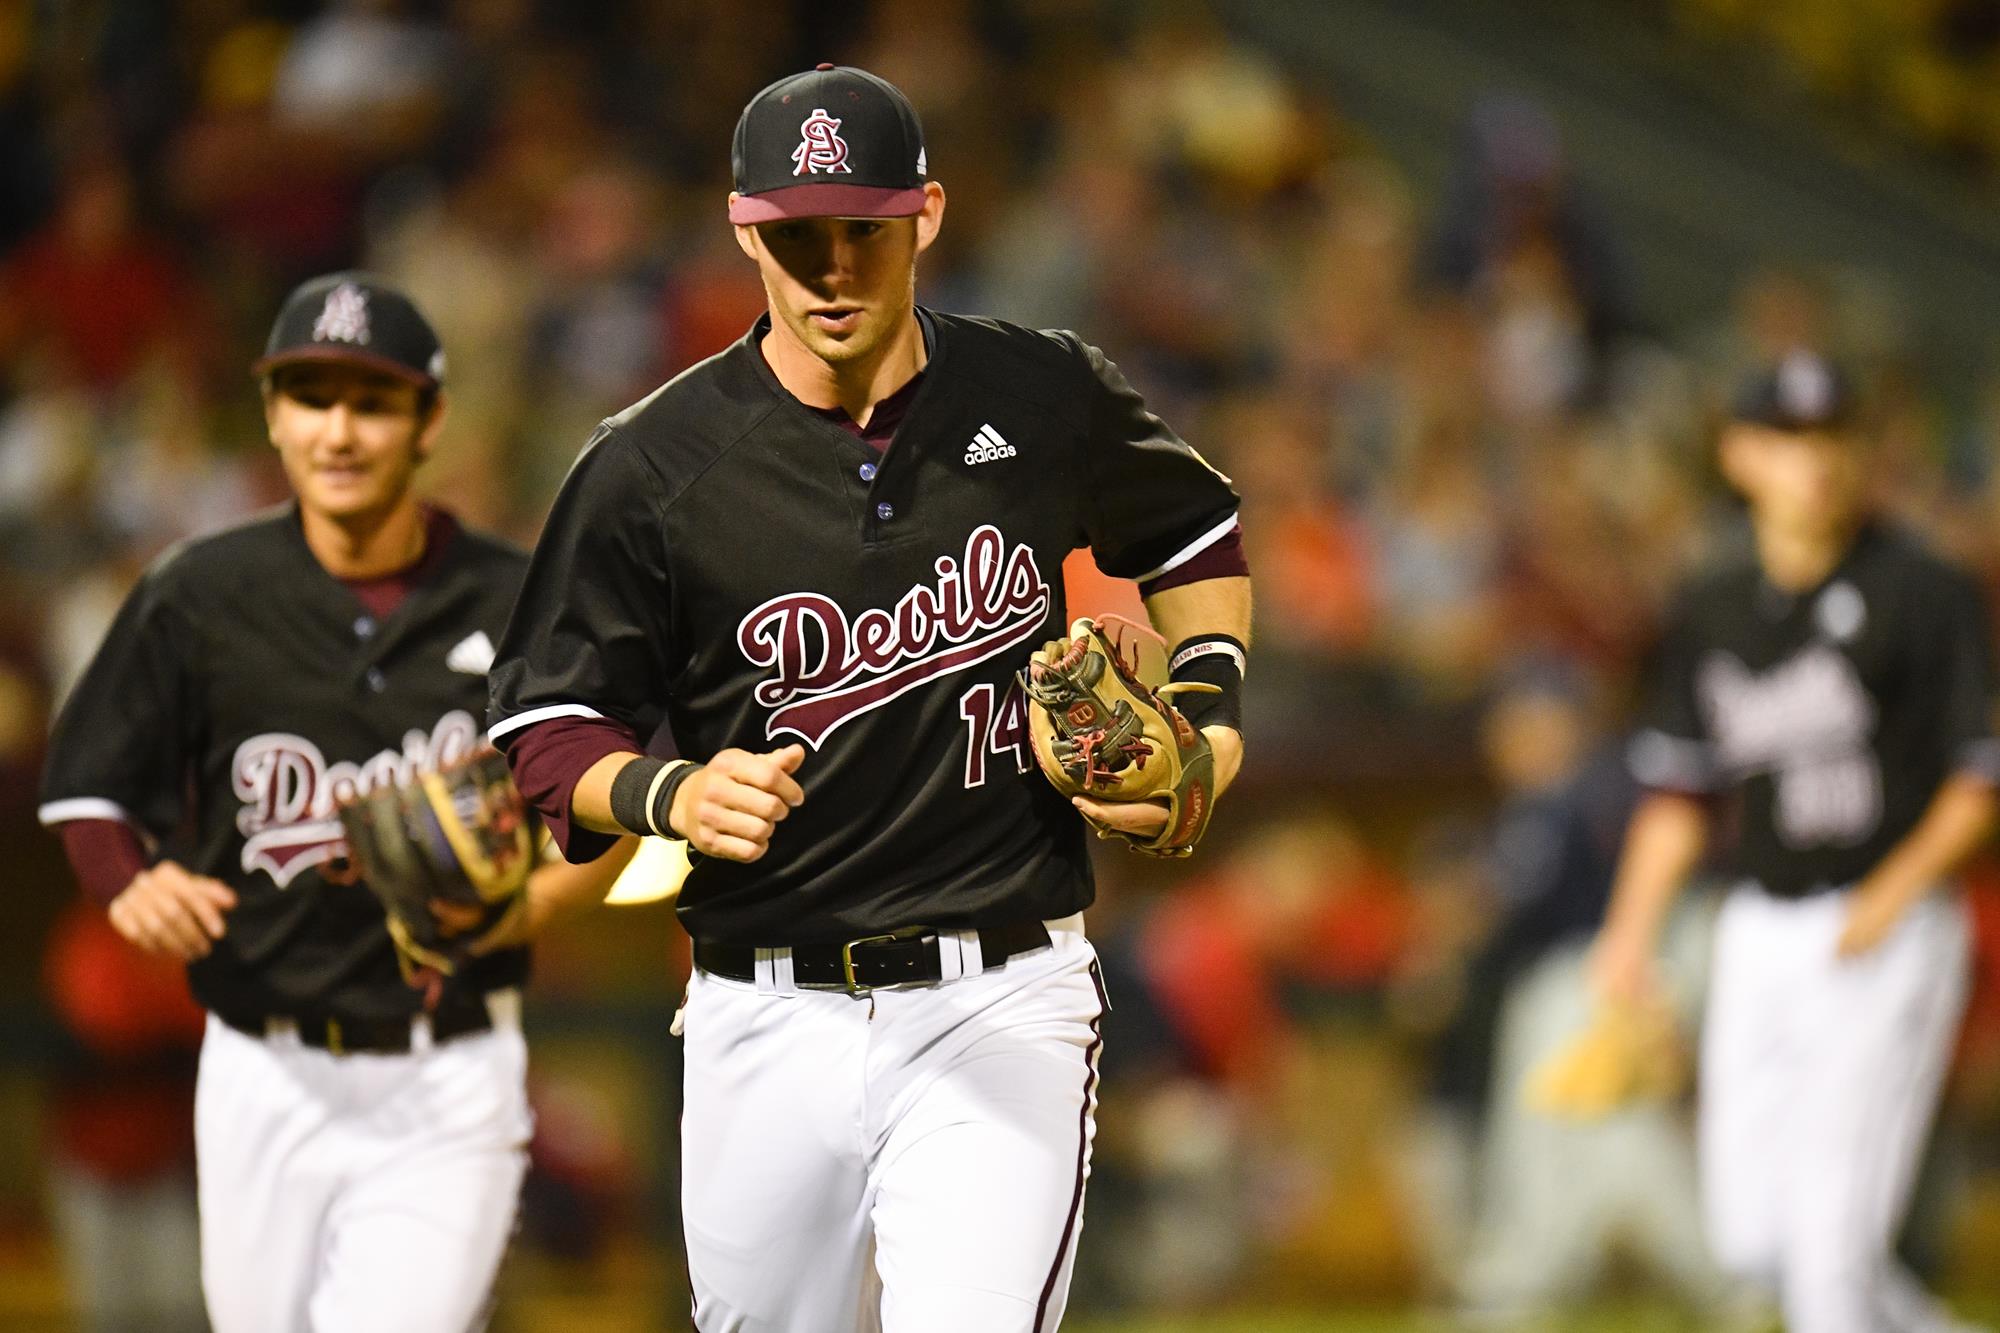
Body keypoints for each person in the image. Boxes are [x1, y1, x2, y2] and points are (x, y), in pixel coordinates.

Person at [489, 64, 1252, 1332]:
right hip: (759, 1005)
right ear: (745, 229)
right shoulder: (650, 465)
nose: (832, 267)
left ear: (927, 216)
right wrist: (666, 790)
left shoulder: (1039, 391)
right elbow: (543, 727)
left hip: (999, 993)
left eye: (863, 228)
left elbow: (1195, 536)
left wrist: (1208, 715)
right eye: (797, 236)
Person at [39, 272, 634, 1333]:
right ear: (271, 414)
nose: (340, 429)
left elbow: (624, 792)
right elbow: (89, 785)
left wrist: (547, 897)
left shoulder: (517, 597)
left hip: (447, 1061)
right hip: (258, 1067)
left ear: (428, 419)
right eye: (312, 397)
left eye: (373, 400)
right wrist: (126, 883)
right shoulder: (200, 591)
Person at [1591, 350, 1999, 1333]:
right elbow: (1679, 792)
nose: (1810, 461)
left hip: (1883, 931)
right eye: (1784, 438)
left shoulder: (1922, 589)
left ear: (1863, 453)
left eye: (1830, 437)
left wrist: (1894, 892)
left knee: (1825, 1268)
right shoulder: (1711, 601)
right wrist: (1626, 937)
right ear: (1737, 456)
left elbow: (1977, 778)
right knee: (1754, 1246)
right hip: (1758, 929)